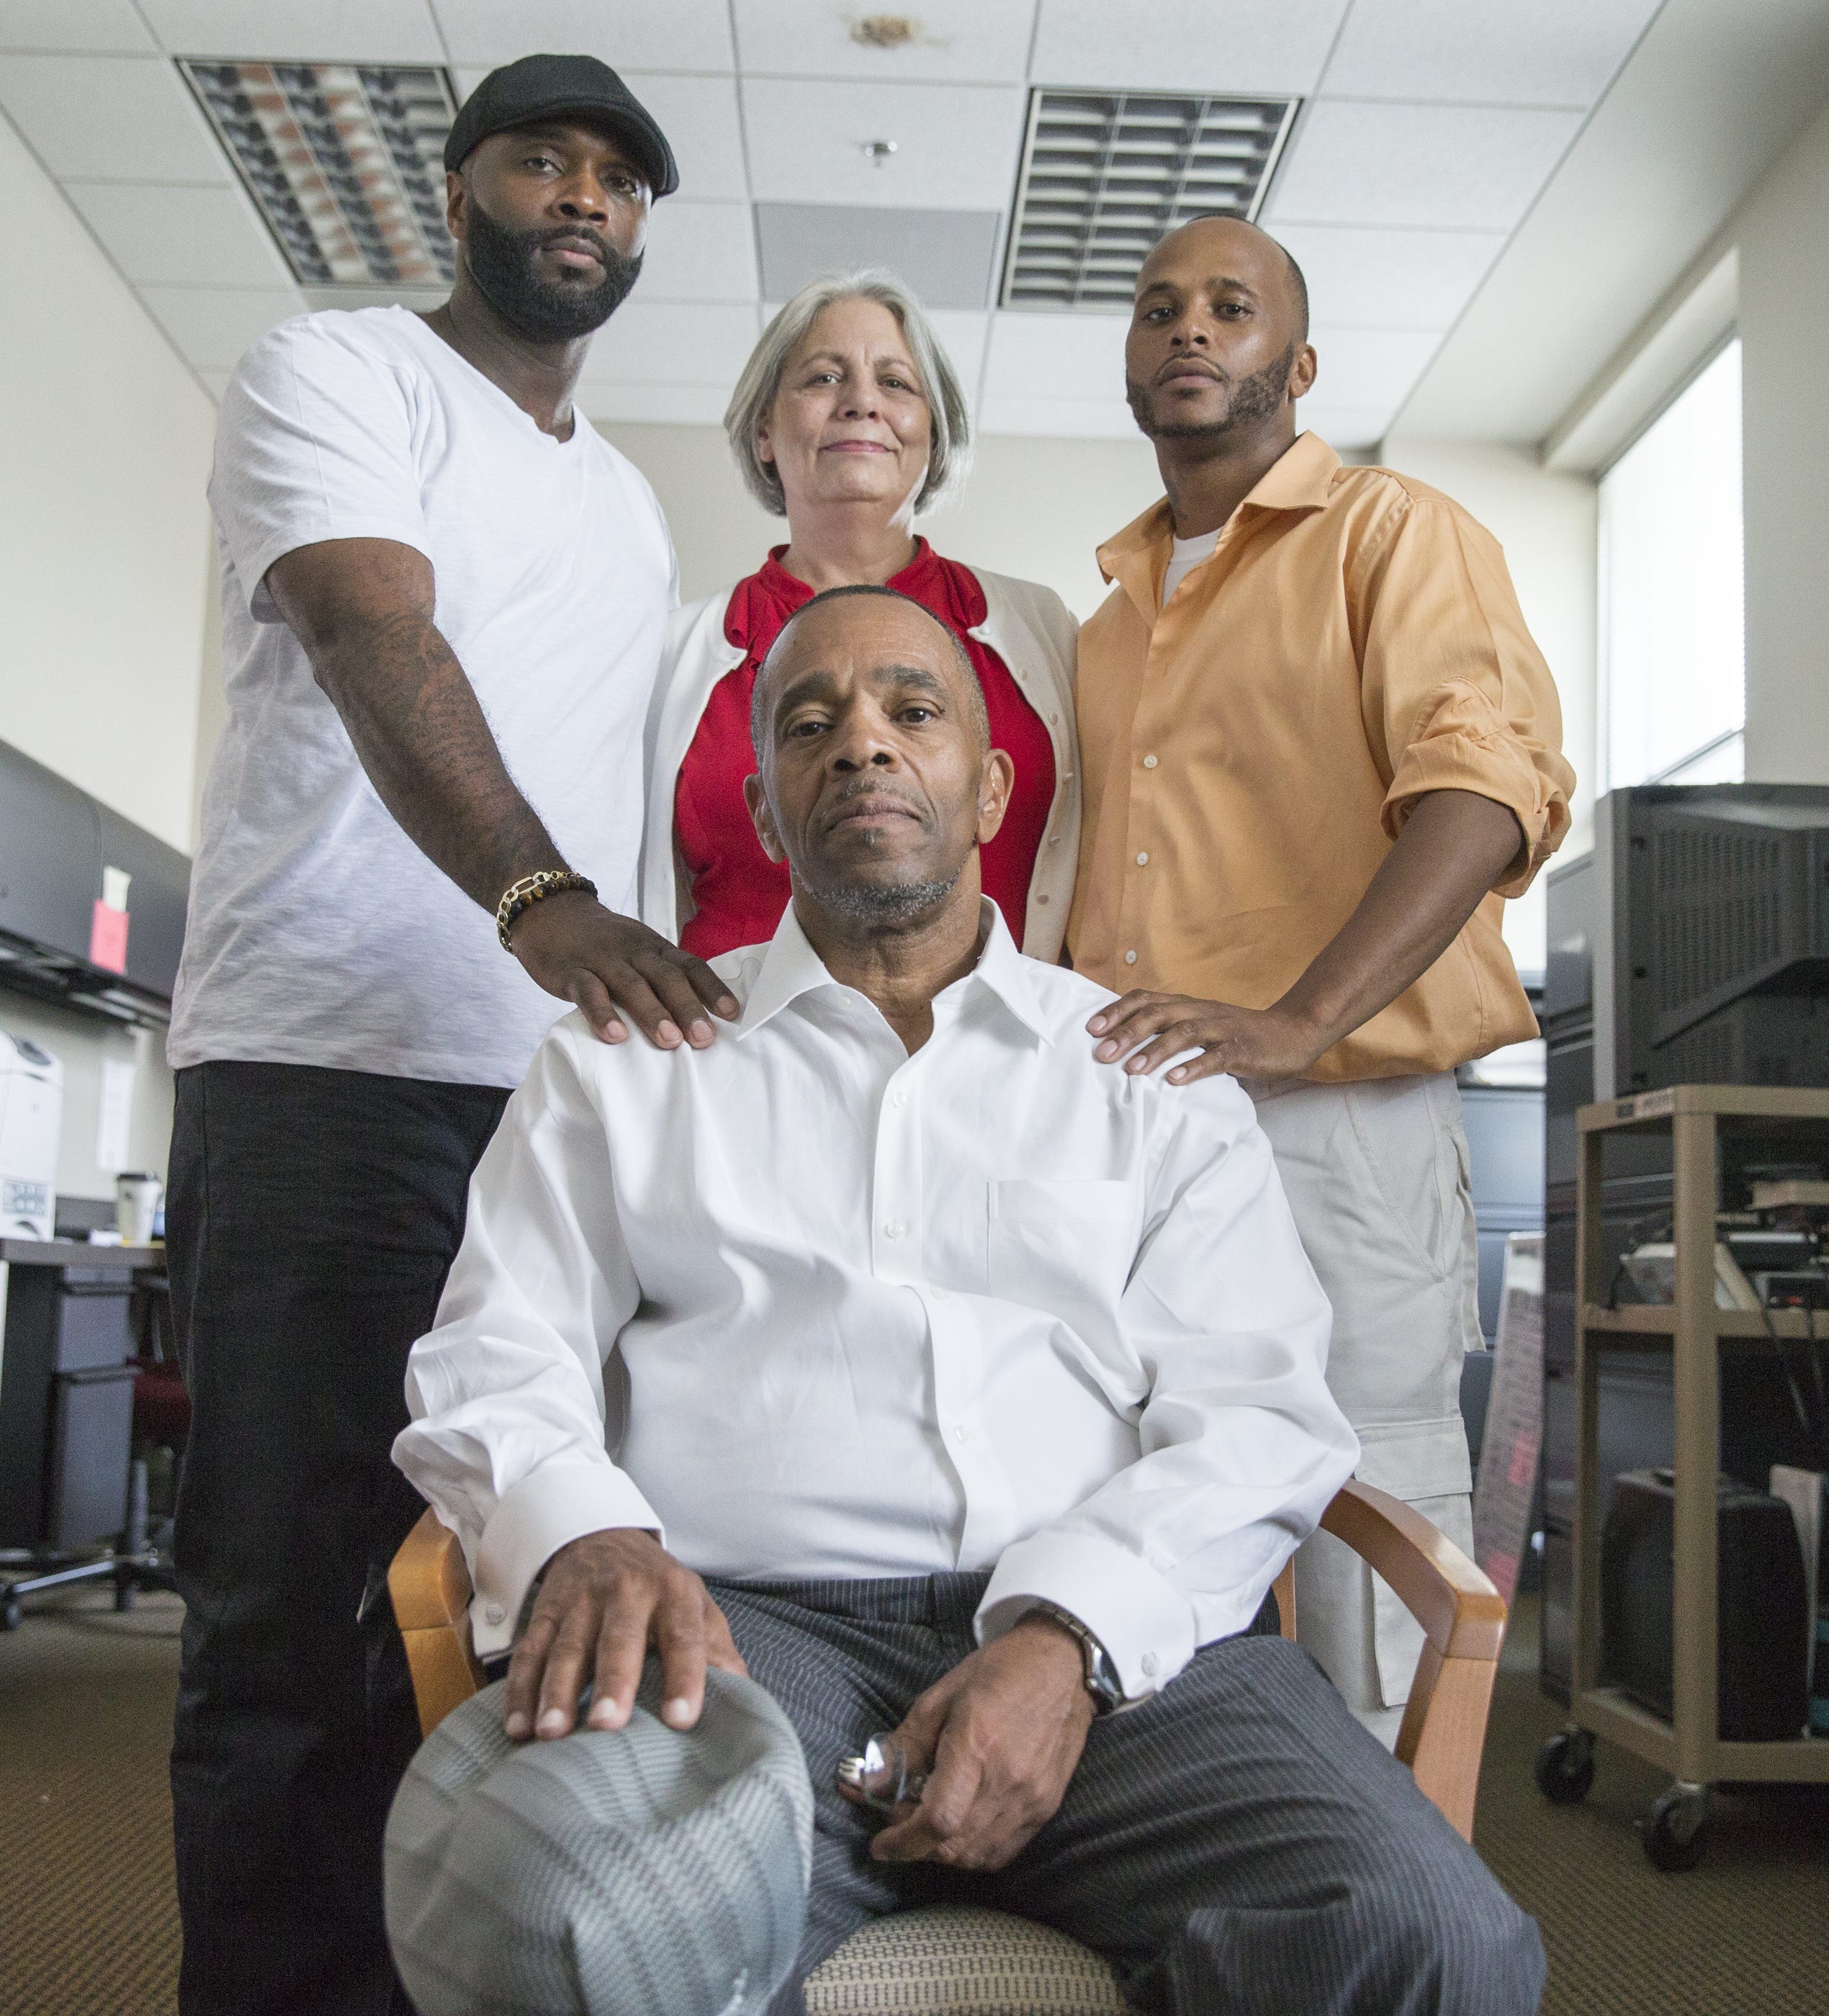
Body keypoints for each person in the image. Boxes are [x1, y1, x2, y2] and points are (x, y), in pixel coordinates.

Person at [395, 585, 1547, 2016]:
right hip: (748, 1643)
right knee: (581, 1923)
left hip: (1137, 1663)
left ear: (993, 789)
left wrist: (1069, 1638)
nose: (861, 743)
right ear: (764, 814)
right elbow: (495, 1351)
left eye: (912, 709)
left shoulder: (1147, 1073)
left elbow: (1259, 1413)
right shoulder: (629, 1062)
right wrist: (589, 1536)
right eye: (809, 724)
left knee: (1423, 1936)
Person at [163, 55, 737, 2016]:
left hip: (544, 1114)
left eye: (617, 183)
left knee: (504, 1599)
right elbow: (368, 631)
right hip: (326, 1077)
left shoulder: (630, 510)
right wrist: (535, 898)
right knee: (294, 1613)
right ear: (457, 188)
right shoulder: (337, 374)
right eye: (538, 162)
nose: (579, 197)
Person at [1069, 215, 1574, 1744]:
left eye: (1230, 306)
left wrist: (1299, 1019)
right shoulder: (1108, 619)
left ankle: (1393, 1859)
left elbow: (1484, 787)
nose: (1187, 328)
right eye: (1158, 306)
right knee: (1142, 1491)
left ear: (1296, 365)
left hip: (1337, 1119)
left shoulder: (1393, 534)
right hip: (1139, 1130)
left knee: (1364, 1503)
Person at [639, 272, 1078, 961]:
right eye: (823, 378)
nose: (862, 403)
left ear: (934, 432)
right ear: (764, 431)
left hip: (993, 1025)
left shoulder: (1038, 628)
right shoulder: (675, 652)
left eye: (896, 383)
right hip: (733, 1022)